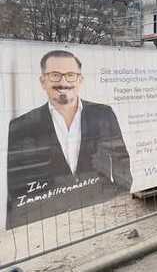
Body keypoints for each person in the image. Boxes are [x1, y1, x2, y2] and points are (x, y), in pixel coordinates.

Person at [6, 50, 132, 229]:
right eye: (55, 75)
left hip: (100, 212)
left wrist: (120, 195)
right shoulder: (21, 126)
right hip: (50, 222)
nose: (63, 82)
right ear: (43, 81)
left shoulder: (103, 114)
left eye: (70, 75)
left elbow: (121, 160)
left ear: (80, 80)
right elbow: (17, 186)